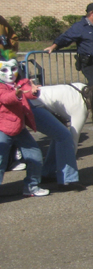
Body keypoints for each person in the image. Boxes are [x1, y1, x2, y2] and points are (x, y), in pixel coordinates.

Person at [32, 83, 93, 191]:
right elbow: (72, 141)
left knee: (59, 135)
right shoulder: (80, 108)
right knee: (65, 137)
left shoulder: (81, 87)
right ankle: (68, 180)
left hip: (31, 100)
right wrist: (70, 162)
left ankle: (47, 173)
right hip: (33, 105)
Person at [0, 52, 48, 196]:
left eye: (13, 69)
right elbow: (6, 98)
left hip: (19, 129)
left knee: (35, 157)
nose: (10, 74)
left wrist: (33, 91)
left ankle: (31, 186)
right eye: (4, 70)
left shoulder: (19, 83)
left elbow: (27, 92)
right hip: (3, 129)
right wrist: (17, 93)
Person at [45, 3, 93, 86]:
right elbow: (66, 37)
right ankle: (88, 98)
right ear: (91, 13)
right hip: (91, 63)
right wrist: (54, 46)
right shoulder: (80, 27)